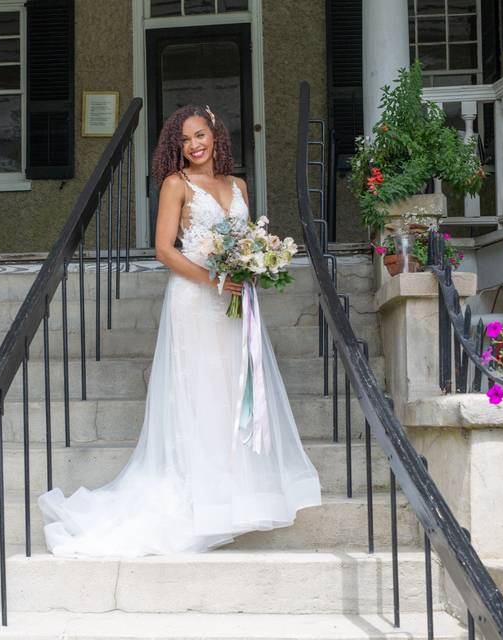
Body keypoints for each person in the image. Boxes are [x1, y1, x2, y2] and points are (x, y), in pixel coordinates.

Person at [37, 105, 321, 557]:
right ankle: (201, 501)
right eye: (186, 139)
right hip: (195, 302)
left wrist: (253, 266)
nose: (195, 145)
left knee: (234, 393)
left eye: (201, 134)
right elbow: (164, 249)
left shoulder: (239, 185)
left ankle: (234, 494)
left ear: (216, 135)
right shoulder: (176, 185)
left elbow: (244, 241)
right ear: (177, 147)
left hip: (235, 304)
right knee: (201, 395)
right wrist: (215, 279)